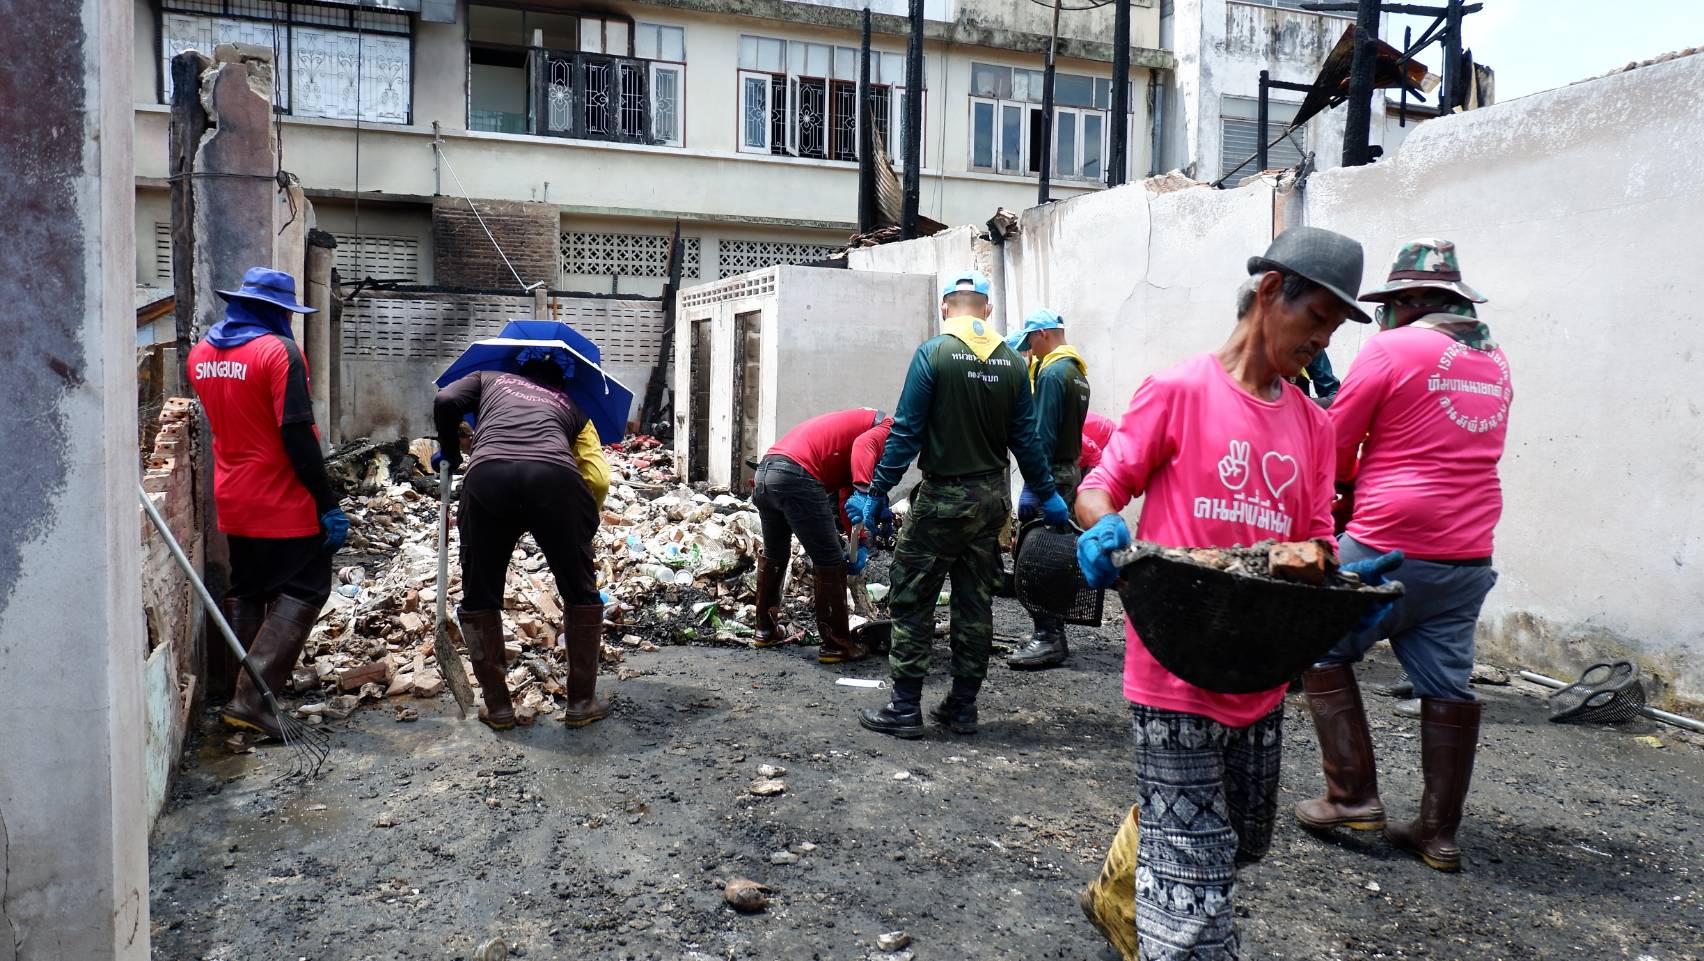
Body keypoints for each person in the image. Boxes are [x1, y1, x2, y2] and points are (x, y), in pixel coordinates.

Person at [1074, 227, 1397, 960]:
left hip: (1257, 673)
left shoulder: (1315, 426)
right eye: (1317, 319)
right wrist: (1102, 529)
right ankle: (1167, 898)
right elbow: (1102, 485)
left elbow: (1314, 541)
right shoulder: (1179, 392)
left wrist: (1344, 592)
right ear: (1273, 291)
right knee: (1195, 879)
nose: (1323, 340)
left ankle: (1129, 875)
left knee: (1241, 838)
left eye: (1335, 329)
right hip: (1174, 664)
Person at [1294, 239, 1511, 873]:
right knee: (1447, 683)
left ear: (1410, 303)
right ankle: (1439, 834)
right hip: (1469, 552)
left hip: (1389, 538)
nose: (1384, 316)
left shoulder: (1391, 348)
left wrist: (1337, 492)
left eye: (1391, 304)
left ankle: (1352, 796)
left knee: (1321, 644)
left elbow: (1332, 442)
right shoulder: (1496, 359)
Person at [847, 271, 1069, 739]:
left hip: (943, 500)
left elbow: (906, 432)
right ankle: (962, 707)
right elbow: (1026, 441)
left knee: (911, 595)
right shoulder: (1012, 362)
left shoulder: (935, 354)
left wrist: (875, 491)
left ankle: (905, 707)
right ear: (987, 310)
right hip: (991, 501)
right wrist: (1046, 493)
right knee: (975, 599)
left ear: (945, 308)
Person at [188, 267, 348, 739]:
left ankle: (242, 690)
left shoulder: (201, 354)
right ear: (275, 311)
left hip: (233, 495)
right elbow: (296, 431)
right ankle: (253, 700)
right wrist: (327, 501)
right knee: (307, 586)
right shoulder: (279, 353)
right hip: (281, 498)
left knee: (251, 589)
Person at [433, 349, 612, 730]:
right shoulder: (572, 406)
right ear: (559, 382)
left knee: (480, 591)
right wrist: (580, 529)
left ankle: (498, 708)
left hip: (489, 476)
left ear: (517, 370)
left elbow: (446, 399)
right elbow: (597, 478)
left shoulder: (488, 378)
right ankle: (581, 703)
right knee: (580, 591)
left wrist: (449, 450)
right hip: (554, 480)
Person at [751, 407, 894, 663]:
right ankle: (837, 644)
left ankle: (765, 630)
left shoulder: (849, 432)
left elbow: (844, 498)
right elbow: (864, 447)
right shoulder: (887, 426)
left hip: (765, 474)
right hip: (798, 475)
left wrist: (858, 541)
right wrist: (864, 490)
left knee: (776, 553)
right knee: (828, 559)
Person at [1005, 309, 1091, 670]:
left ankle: (1048, 636)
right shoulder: (1077, 372)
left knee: (1040, 557)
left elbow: (1042, 434)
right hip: (1068, 470)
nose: (1030, 352)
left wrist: (1033, 487)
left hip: (1051, 474)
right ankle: (1050, 633)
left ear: (1042, 335)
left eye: (1031, 343)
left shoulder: (1054, 373)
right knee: (1055, 551)